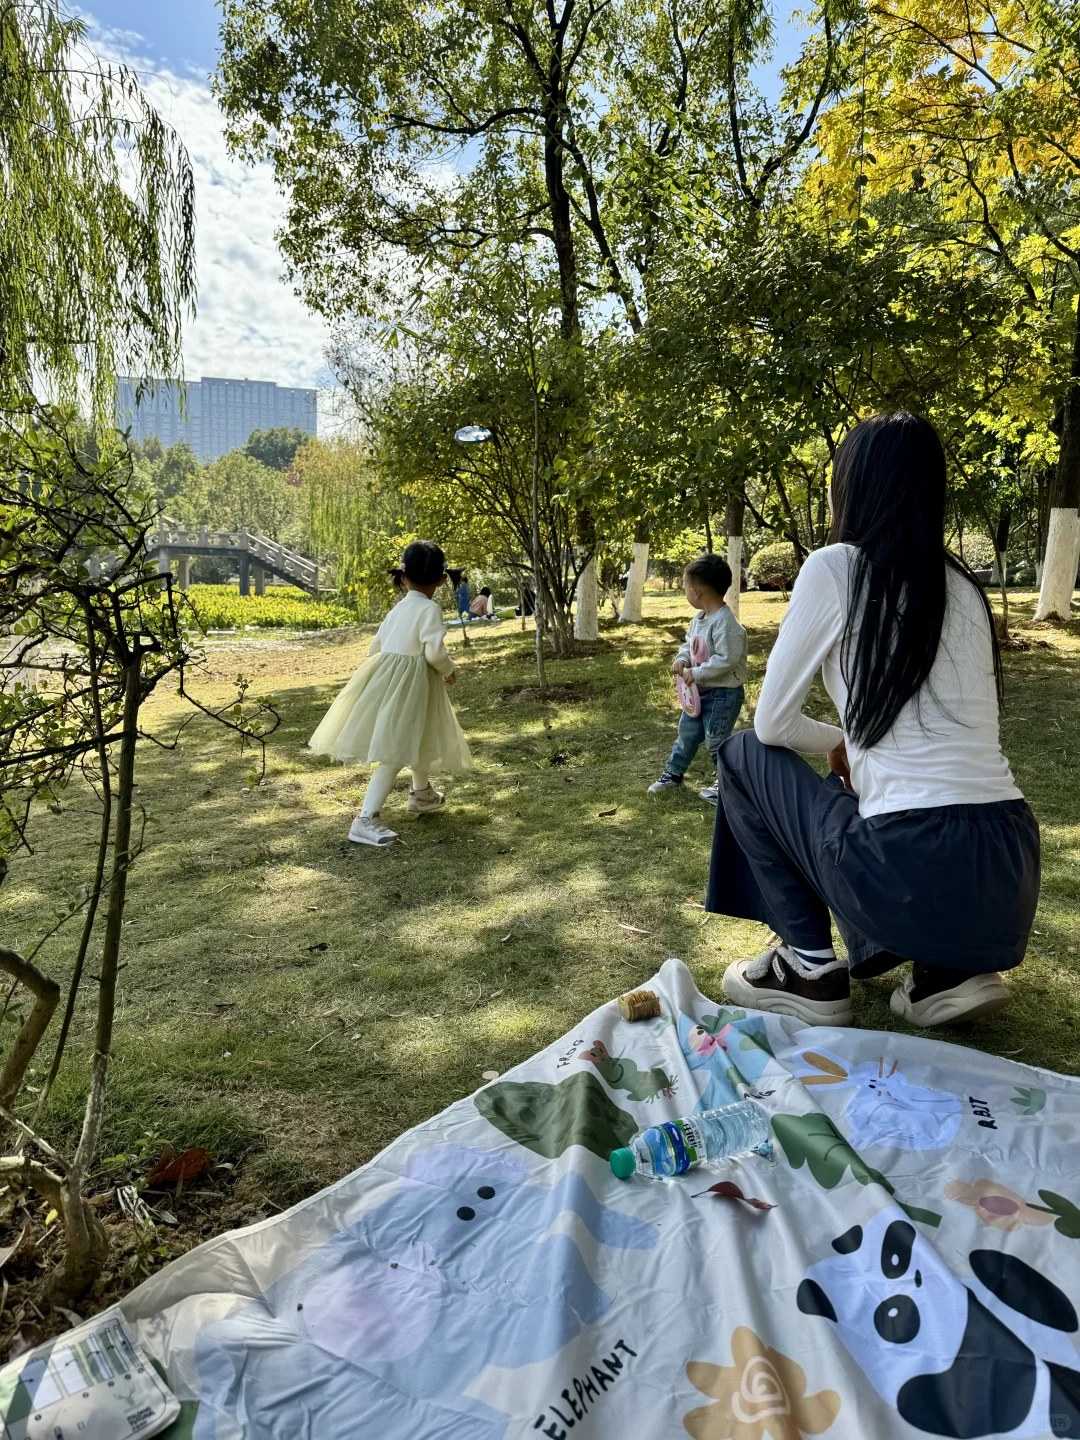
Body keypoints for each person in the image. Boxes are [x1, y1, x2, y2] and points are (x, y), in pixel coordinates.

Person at [707, 412, 1040, 1029]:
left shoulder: (836, 566)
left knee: (743, 754)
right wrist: (853, 751)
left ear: (853, 488)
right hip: (1009, 870)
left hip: (910, 862)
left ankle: (808, 968)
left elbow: (775, 724)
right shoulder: (963, 586)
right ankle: (947, 971)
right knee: (850, 791)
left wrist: (837, 741)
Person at [309, 540, 472, 846]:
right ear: (441, 578)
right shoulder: (429, 608)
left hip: (391, 679)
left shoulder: (399, 608)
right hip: (411, 684)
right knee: (396, 748)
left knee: (418, 735)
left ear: (402, 575)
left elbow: (377, 644)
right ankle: (365, 819)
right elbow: (435, 652)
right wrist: (448, 670)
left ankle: (422, 794)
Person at [649, 553, 747, 803]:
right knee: (687, 734)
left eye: (684, 587)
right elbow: (689, 644)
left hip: (722, 695)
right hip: (697, 694)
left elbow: (727, 660)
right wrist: (683, 659)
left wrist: (697, 672)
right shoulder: (699, 620)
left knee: (717, 740)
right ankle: (673, 774)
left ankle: (728, 784)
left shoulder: (726, 623)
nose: (685, 592)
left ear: (695, 591)